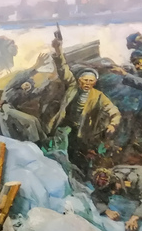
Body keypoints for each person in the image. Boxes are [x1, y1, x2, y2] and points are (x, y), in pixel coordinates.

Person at [48, 37, 121, 168]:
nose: (87, 83)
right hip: (65, 126)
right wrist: (58, 51)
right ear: (79, 80)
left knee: (77, 157)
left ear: (95, 82)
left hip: (83, 132)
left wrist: (113, 124)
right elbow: (63, 69)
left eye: (91, 81)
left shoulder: (98, 96)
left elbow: (114, 111)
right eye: (85, 80)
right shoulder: (72, 85)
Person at [0, 53, 54, 142]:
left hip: (11, 111)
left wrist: (48, 80)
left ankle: (43, 141)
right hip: (5, 110)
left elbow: (36, 92)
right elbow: (21, 76)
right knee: (31, 121)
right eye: (25, 84)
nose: (26, 86)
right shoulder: (12, 86)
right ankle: (36, 143)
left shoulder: (25, 93)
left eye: (29, 85)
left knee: (35, 121)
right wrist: (36, 66)